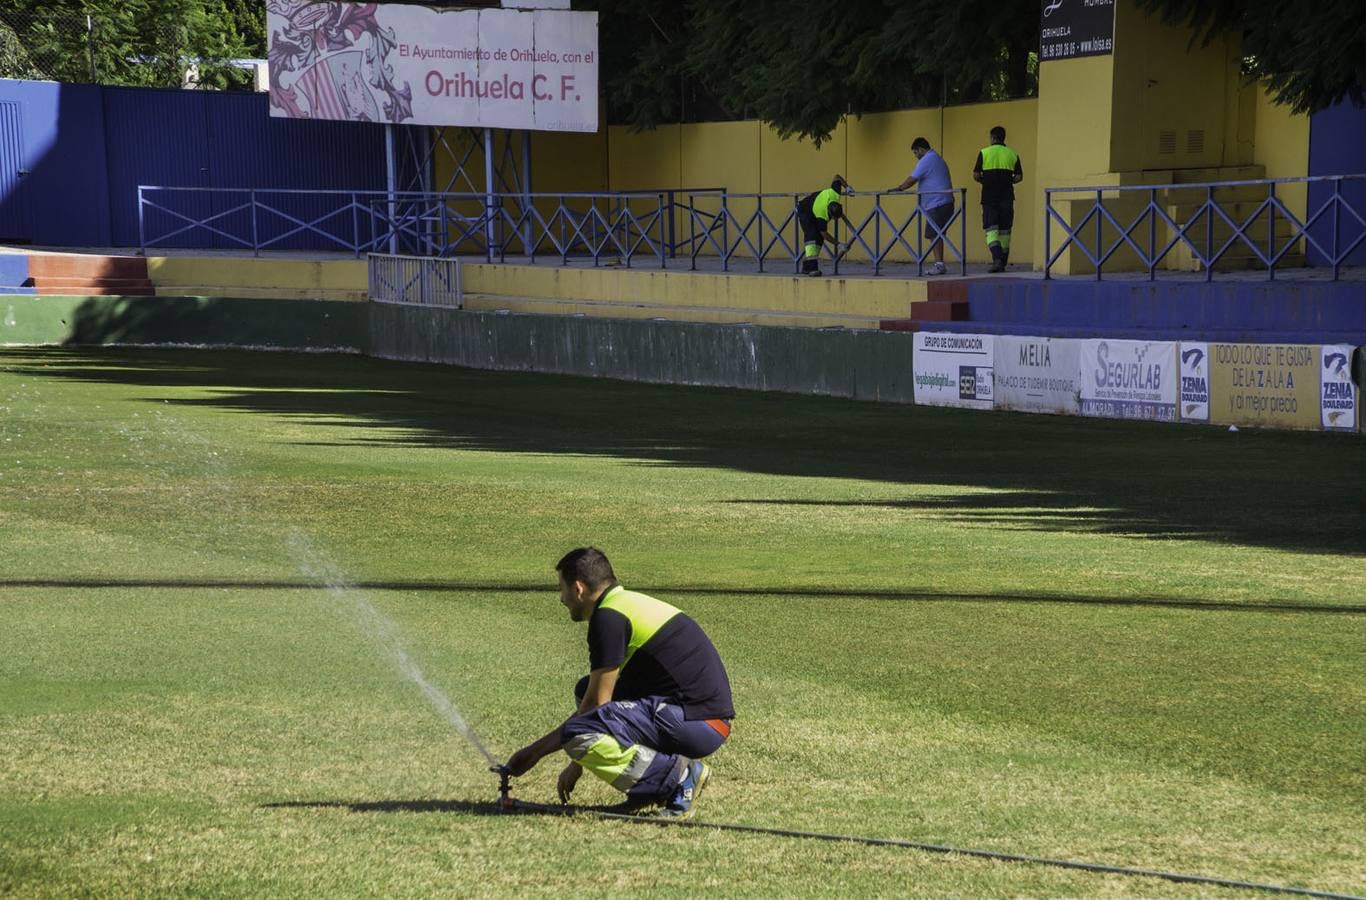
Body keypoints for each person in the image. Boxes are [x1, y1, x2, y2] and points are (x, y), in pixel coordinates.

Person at [503, 547, 734, 820]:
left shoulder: (608, 618)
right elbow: (595, 700)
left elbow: (596, 707)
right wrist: (574, 762)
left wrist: (532, 754)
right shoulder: (623, 603)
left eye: (562, 589)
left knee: (577, 731)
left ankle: (682, 776)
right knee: (583, 692)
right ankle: (649, 789)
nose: (561, 599)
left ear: (578, 588)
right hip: (699, 718)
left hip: (699, 724)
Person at [889, 137, 955, 276]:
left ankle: (939, 265)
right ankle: (939, 264)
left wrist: (899, 188)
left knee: (934, 234)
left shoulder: (927, 159)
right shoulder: (936, 158)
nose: (916, 156)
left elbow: (912, 179)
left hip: (937, 203)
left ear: (920, 149)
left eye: (915, 152)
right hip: (944, 202)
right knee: (936, 234)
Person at [972, 125, 1024, 273]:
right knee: (1005, 230)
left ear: (993, 138)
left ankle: (997, 259)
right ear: (1003, 138)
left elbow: (975, 175)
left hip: (989, 198)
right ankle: (1003, 260)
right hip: (1007, 197)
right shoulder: (1013, 154)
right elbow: (1019, 177)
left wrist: (985, 181)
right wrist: (1008, 181)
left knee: (991, 229)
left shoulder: (984, 153)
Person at [796, 175, 851, 276]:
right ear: (829, 213)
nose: (834, 220)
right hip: (805, 211)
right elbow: (824, 233)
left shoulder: (835, 194)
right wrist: (838, 244)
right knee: (812, 238)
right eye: (834, 218)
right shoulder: (822, 214)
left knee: (819, 240)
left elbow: (837, 177)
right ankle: (812, 269)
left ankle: (806, 266)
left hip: (813, 205)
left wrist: (847, 188)